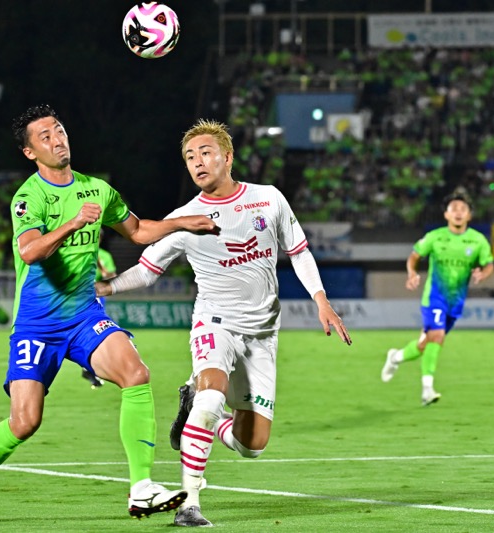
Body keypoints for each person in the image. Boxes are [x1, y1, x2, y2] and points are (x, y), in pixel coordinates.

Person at [0, 104, 218, 525]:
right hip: (37, 326)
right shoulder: (29, 197)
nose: (57, 139)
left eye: (59, 130)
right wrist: (73, 223)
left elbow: (138, 231)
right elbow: (30, 251)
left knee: (136, 373)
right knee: (24, 423)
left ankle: (141, 488)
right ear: (29, 153)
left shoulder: (97, 189)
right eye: (45, 137)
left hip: (82, 317)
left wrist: (183, 222)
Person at [96, 119, 352, 527]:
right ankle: (189, 503)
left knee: (253, 445)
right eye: (189, 157)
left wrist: (321, 300)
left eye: (205, 152)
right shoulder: (185, 217)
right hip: (215, 323)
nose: (197, 161)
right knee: (213, 396)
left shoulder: (268, 199)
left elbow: (299, 252)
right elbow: (147, 270)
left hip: (263, 333)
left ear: (228, 157)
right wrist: (104, 288)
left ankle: (195, 407)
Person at [381, 188, 494, 405]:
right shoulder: (435, 237)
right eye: (454, 209)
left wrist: (483, 273)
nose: (458, 212)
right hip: (434, 297)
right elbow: (414, 256)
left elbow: (489, 265)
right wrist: (412, 273)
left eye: (463, 209)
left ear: (469, 215)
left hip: (456, 301)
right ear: (446, 215)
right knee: (437, 337)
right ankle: (427, 390)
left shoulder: (478, 241)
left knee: (426, 344)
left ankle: (395, 357)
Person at [81, 232, 118, 389]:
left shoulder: (104, 255)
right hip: (78, 295)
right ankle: (89, 366)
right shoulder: (79, 252)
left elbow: (112, 276)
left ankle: (89, 367)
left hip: (96, 296)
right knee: (88, 330)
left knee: (95, 330)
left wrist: (104, 272)